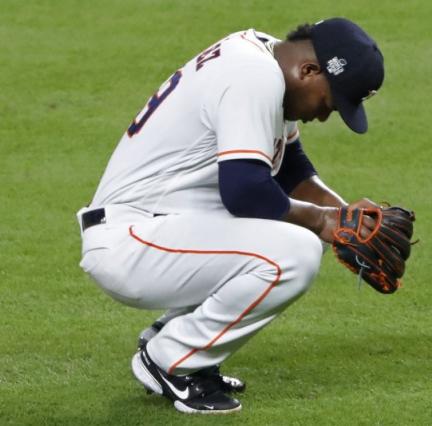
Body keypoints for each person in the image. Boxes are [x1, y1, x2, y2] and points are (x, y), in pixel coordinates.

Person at [77, 17, 384, 414]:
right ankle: (172, 359)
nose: (325, 116)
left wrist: (342, 218)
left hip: (161, 225)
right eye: (330, 101)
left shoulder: (268, 59)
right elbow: (244, 192)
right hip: (132, 240)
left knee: (297, 235)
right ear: (309, 71)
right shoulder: (253, 75)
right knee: (295, 251)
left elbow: (291, 169)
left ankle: (174, 337)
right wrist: (325, 222)